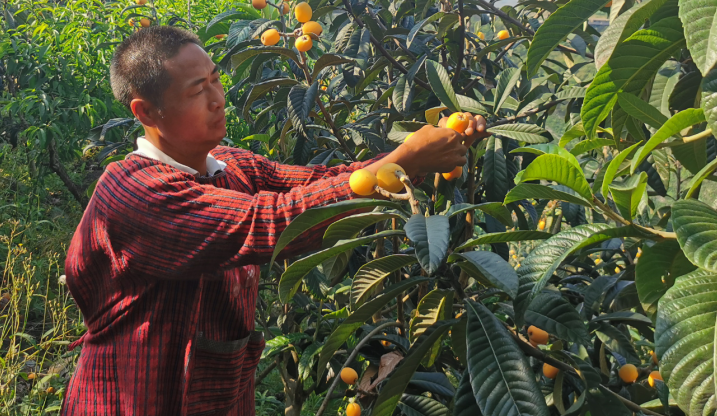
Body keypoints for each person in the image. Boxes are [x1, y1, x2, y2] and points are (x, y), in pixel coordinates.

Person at [61, 26, 486, 416]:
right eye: (196, 92)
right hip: (130, 397)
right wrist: (404, 160)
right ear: (147, 112)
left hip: (216, 395)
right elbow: (266, 222)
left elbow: (324, 182)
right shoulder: (132, 191)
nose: (217, 98)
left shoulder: (230, 166)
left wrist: (418, 157)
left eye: (215, 79)